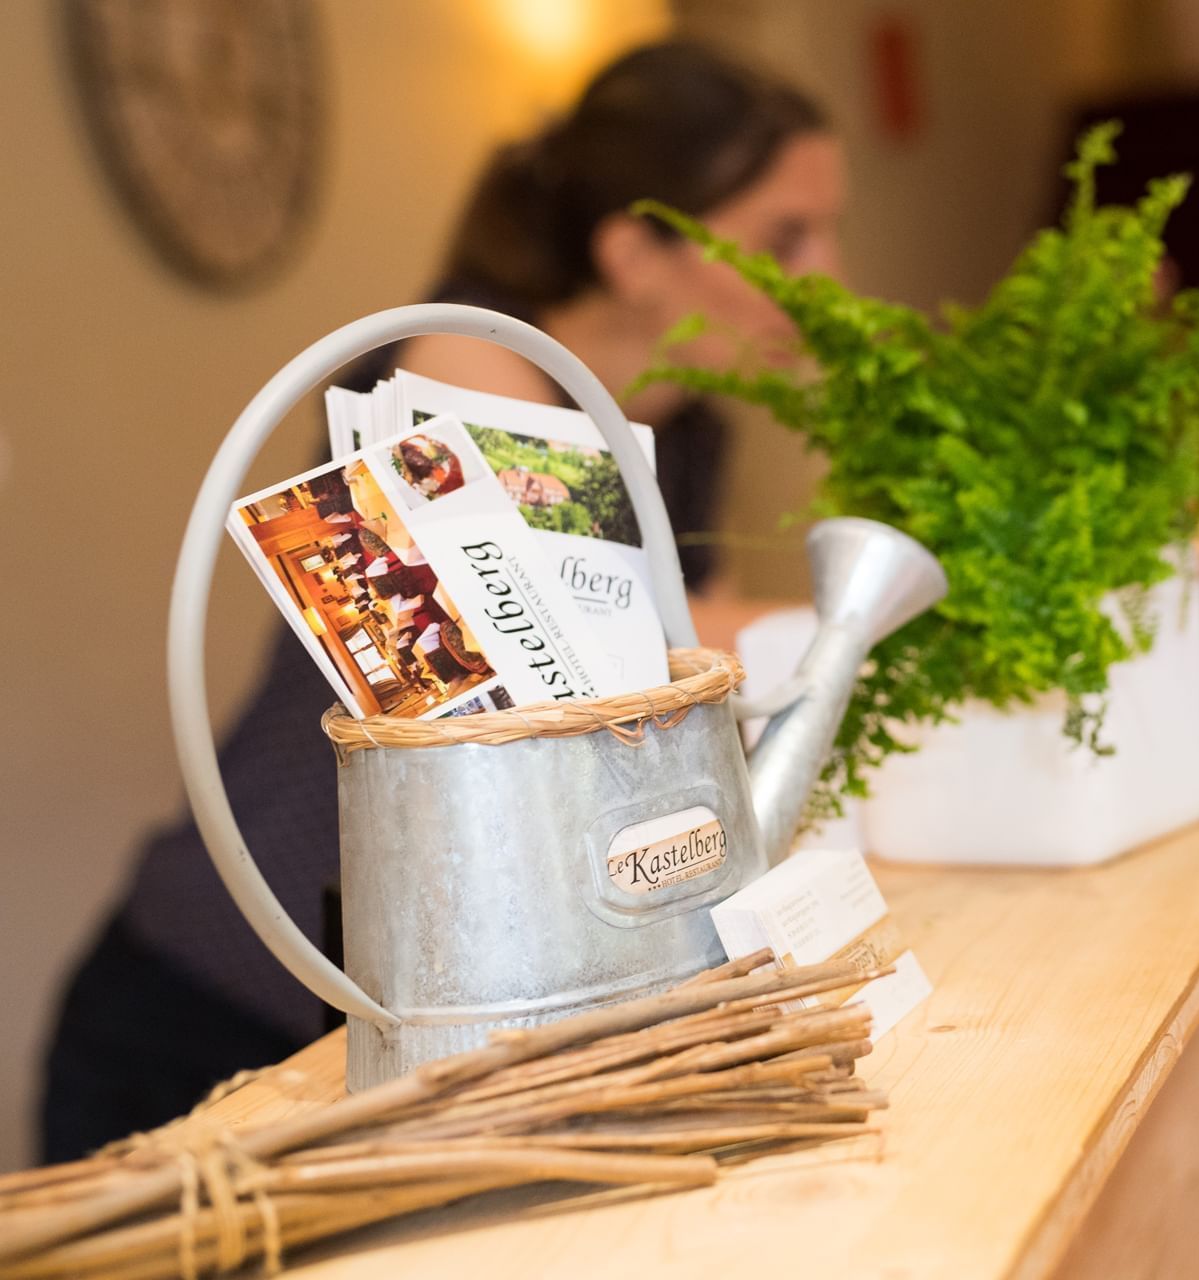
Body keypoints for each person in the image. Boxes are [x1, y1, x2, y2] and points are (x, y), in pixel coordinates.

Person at [38, 39, 843, 1163]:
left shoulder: (682, 421)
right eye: (784, 239)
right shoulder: (464, 362)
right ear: (634, 251)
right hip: (222, 998)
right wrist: (870, 614)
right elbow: (625, 645)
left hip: (391, 997)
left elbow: (683, 635)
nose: (826, 274)